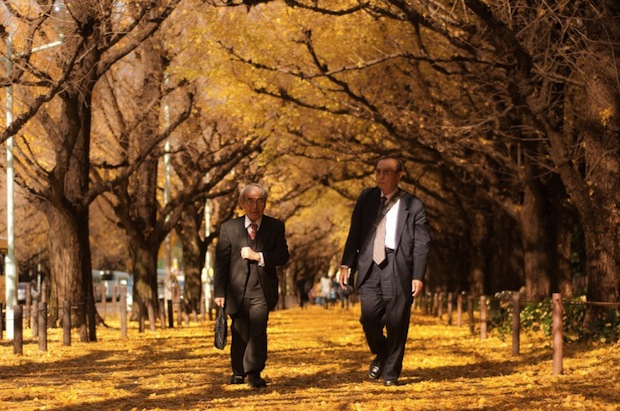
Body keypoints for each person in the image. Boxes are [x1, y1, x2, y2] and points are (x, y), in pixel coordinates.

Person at [339, 157, 430, 387]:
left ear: (399, 175)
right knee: (368, 318)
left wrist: (418, 275)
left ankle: (391, 373)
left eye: (387, 172)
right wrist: (346, 264)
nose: (380, 175)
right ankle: (381, 353)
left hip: (397, 266)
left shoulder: (414, 205)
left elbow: (421, 243)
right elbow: (355, 232)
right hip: (369, 266)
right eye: (378, 171)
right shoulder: (366, 198)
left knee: (397, 321)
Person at [214, 183, 290, 389]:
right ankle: (238, 371)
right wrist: (219, 292)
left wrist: (260, 256)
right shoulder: (229, 228)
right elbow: (221, 262)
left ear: (265, 203)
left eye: (260, 201)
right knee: (240, 331)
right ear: (242, 204)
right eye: (250, 201)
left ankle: (254, 372)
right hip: (235, 292)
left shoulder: (275, 227)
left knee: (258, 330)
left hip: (262, 291)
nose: (255, 206)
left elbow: (283, 255)